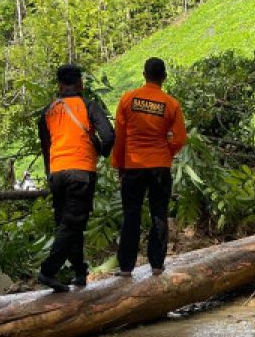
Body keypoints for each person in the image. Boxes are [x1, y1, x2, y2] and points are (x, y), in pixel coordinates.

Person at [36, 64, 115, 292]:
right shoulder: (88, 105)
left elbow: (46, 147)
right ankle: (48, 271)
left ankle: (79, 271)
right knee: (72, 224)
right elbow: (109, 135)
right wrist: (100, 150)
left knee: (69, 224)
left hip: (57, 172)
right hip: (80, 171)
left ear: (59, 85)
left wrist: (50, 172)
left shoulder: (48, 111)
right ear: (80, 83)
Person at [111, 57, 187, 277]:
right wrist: (166, 152)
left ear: (144, 75)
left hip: (133, 165)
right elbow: (180, 138)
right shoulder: (170, 104)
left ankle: (126, 267)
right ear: (164, 77)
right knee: (159, 214)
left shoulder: (128, 99)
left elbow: (120, 137)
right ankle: (156, 265)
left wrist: (119, 164)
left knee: (131, 215)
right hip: (159, 167)